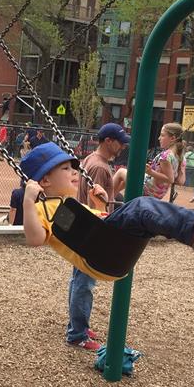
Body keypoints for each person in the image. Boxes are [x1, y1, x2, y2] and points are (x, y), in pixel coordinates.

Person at [21, 142, 194, 281]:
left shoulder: (68, 206)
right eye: (65, 169)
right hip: (103, 253)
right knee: (142, 206)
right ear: (44, 181)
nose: (75, 172)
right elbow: (35, 239)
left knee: (158, 218)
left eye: (74, 168)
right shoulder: (44, 208)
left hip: (112, 248)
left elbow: (93, 228)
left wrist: (99, 204)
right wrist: (28, 202)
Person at [66, 123, 131, 350]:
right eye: (120, 142)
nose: (123, 146)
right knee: (84, 282)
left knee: (78, 279)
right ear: (108, 141)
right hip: (93, 228)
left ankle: (77, 325)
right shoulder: (100, 167)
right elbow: (98, 203)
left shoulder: (91, 160)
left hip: (83, 225)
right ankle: (77, 334)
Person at [143, 122, 186, 201]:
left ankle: (117, 203)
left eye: (162, 135)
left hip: (147, 190)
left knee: (121, 172)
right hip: (158, 194)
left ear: (172, 138)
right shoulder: (181, 158)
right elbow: (180, 181)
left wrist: (151, 172)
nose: (159, 138)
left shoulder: (165, 156)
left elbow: (170, 179)